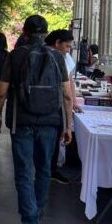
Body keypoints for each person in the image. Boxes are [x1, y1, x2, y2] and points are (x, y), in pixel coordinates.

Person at [0, 15, 74, 224]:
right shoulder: (58, 57)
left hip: (22, 122)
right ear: (46, 33)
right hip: (50, 122)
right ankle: (36, 214)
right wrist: (67, 126)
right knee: (44, 170)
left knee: (24, 171)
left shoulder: (15, 56)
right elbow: (67, 95)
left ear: (25, 33)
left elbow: (1, 92)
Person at [45, 29, 83, 185]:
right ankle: (49, 170)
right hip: (54, 104)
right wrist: (71, 103)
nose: (68, 50)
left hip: (41, 103)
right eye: (67, 46)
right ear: (57, 43)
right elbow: (67, 85)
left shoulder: (59, 56)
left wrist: (74, 100)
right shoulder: (58, 57)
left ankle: (47, 168)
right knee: (54, 137)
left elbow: (70, 81)